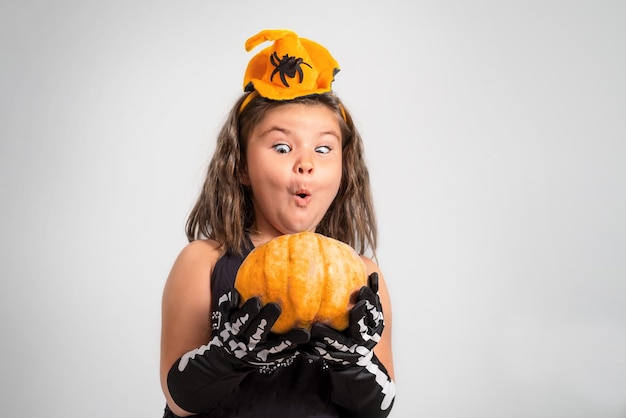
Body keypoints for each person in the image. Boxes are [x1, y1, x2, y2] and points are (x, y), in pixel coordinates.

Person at [160, 28, 396, 418]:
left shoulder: (363, 277)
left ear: (343, 169)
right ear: (240, 166)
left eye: (323, 148)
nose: (306, 162)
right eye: (283, 147)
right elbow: (179, 401)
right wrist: (229, 356)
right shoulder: (203, 262)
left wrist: (353, 360)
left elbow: (377, 410)